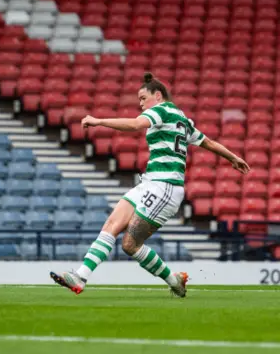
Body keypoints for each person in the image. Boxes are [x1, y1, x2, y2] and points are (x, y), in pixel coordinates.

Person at [50, 72, 251, 297]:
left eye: (143, 98)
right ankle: (80, 276)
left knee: (130, 244)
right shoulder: (183, 119)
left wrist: (99, 121)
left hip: (164, 186)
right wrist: (233, 157)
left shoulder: (162, 110)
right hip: (150, 183)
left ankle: (172, 279)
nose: (141, 104)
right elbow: (209, 142)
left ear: (158, 95)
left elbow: (136, 125)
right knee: (112, 224)